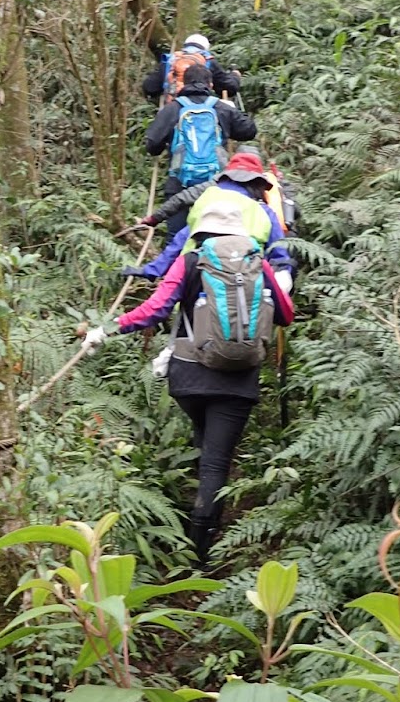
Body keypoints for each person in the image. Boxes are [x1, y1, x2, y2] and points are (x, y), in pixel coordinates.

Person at [82, 152, 296, 565]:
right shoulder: (258, 262)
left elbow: (155, 310)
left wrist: (106, 331)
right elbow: (285, 313)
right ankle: (201, 551)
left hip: (188, 376)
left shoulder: (189, 260)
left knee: (204, 444)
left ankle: (191, 527)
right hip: (238, 379)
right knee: (217, 462)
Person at [121, 147, 294, 286]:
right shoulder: (265, 212)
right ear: (257, 184)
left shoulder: (208, 200)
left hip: (199, 279)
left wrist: (151, 270)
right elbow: (280, 254)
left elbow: (181, 240)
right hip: (248, 282)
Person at [144, 64, 257, 235]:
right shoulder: (220, 108)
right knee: (215, 235)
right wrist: (231, 115)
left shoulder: (173, 109)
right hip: (216, 184)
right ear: (210, 85)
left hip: (179, 183)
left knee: (176, 238)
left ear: (183, 83)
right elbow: (249, 131)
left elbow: (152, 145)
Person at [142, 33, 243, 104]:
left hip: (172, 109)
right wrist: (235, 75)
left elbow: (149, 87)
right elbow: (229, 87)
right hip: (201, 109)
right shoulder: (208, 61)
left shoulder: (171, 60)